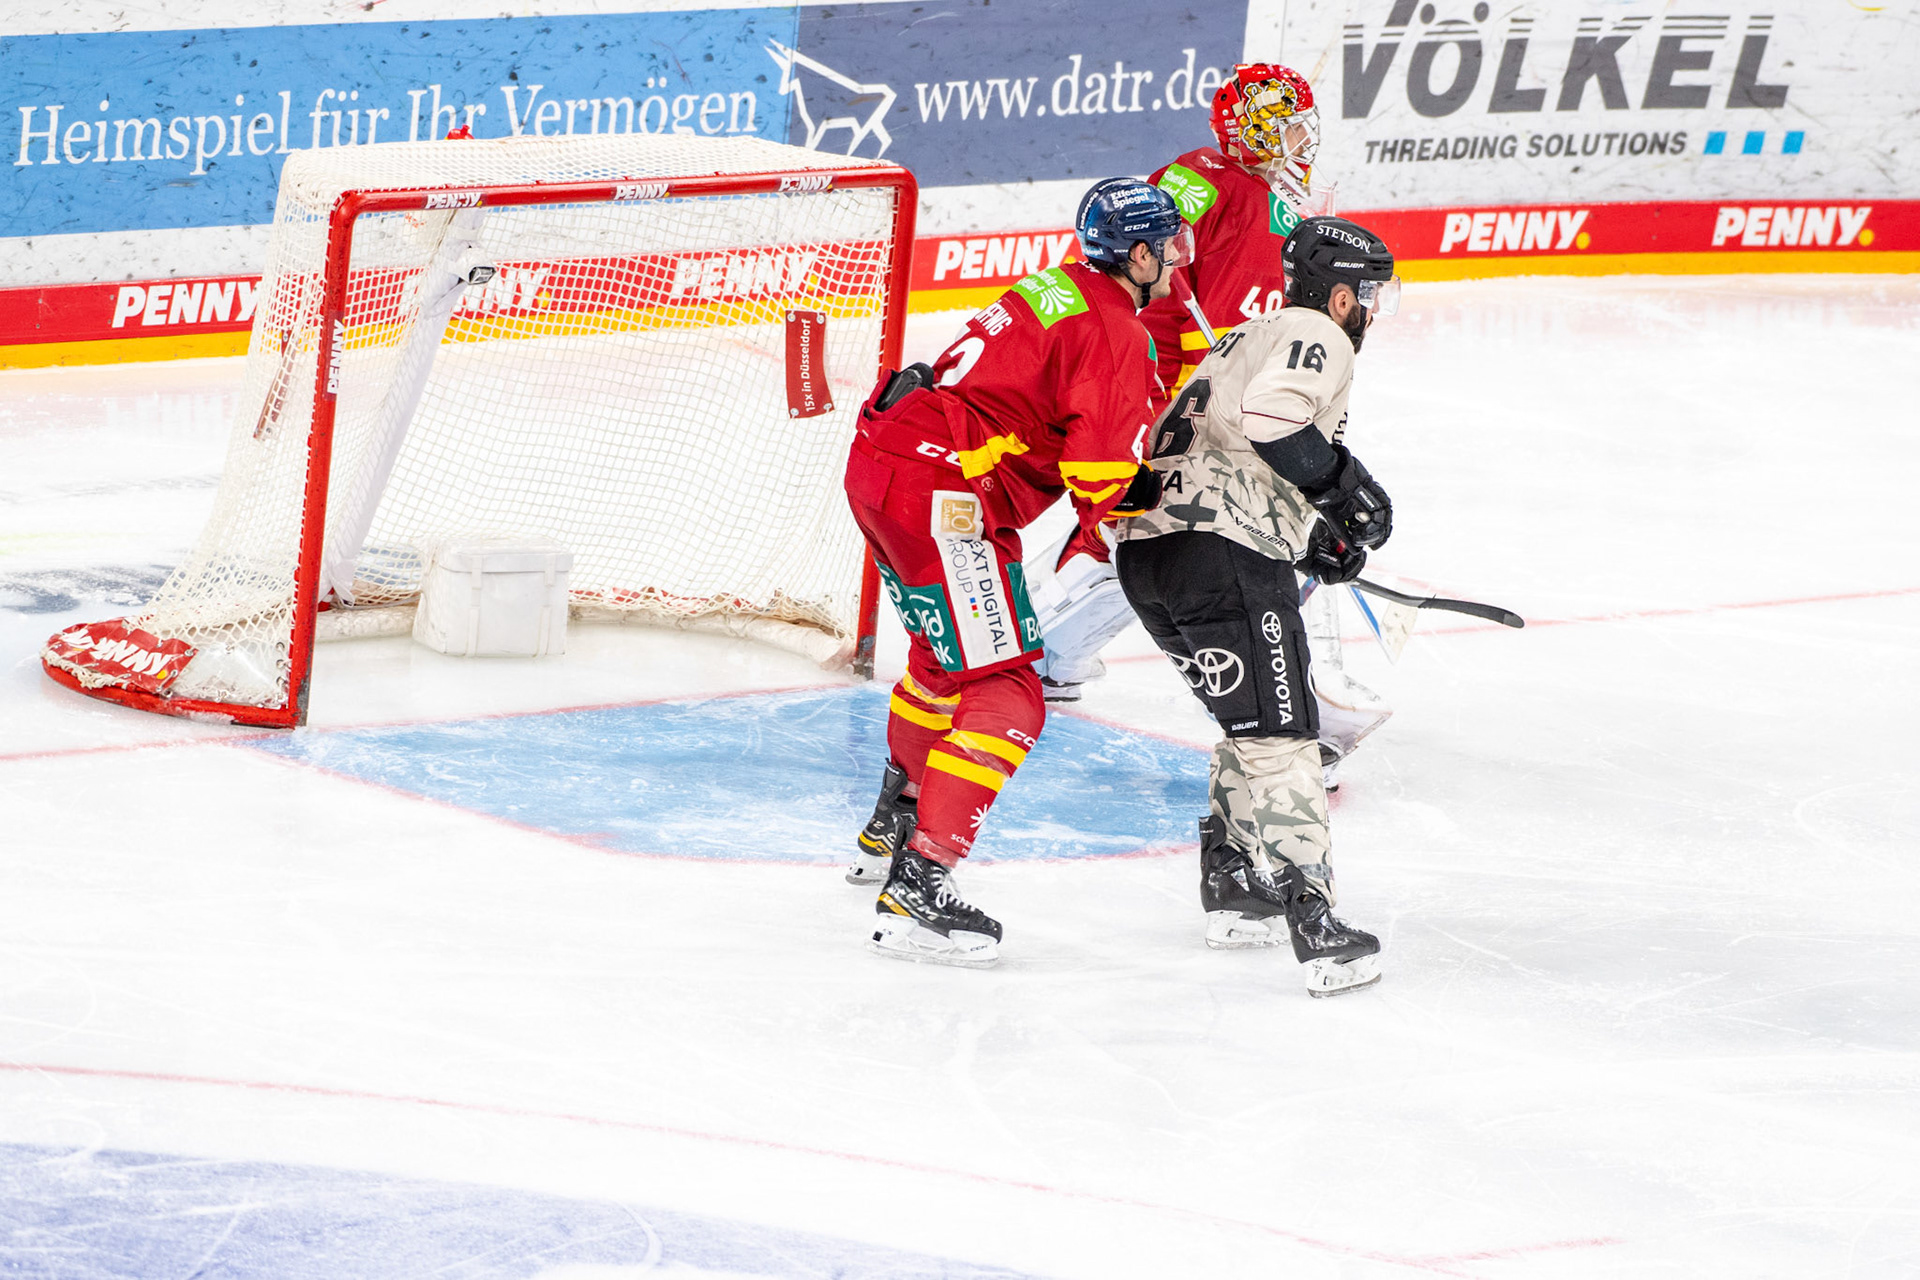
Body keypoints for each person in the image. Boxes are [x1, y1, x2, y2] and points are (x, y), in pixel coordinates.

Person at [841, 177, 1192, 967]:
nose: (1177, 257)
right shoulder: (1113, 330)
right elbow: (1101, 477)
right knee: (1008, 689)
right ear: (1137, 254)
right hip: (945, 498)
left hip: (884, 467)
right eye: (1168, 243)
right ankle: (921, 883)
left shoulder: (1058, 287)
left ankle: (892, 823)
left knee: (942, 661)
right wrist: (1175, 502)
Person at [1026, 64, 1390, 794]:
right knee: (1139, 525)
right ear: (1252, 129)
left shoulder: (1279, 201)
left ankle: (1055, 659)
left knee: (1241, 528)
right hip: (1172, 390)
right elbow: (1135, 245)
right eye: (1285, 124)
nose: (1298, 138)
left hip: (1231, 392)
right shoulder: (1202, 175)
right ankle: (1044, 658)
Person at [1112, 215, 1400, 998]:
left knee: (1253, 720)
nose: (1371, 311)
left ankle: (1235, 880)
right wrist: (1345, 489)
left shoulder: (1247, 335)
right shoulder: (1315, 331)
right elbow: (1278, 419)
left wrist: (1306, 535)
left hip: (1153, 556)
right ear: (1342, 296)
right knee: (1284, 733)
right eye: (1370, 295)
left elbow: (1223, 451)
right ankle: (1318, 921)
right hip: (1219, 554)